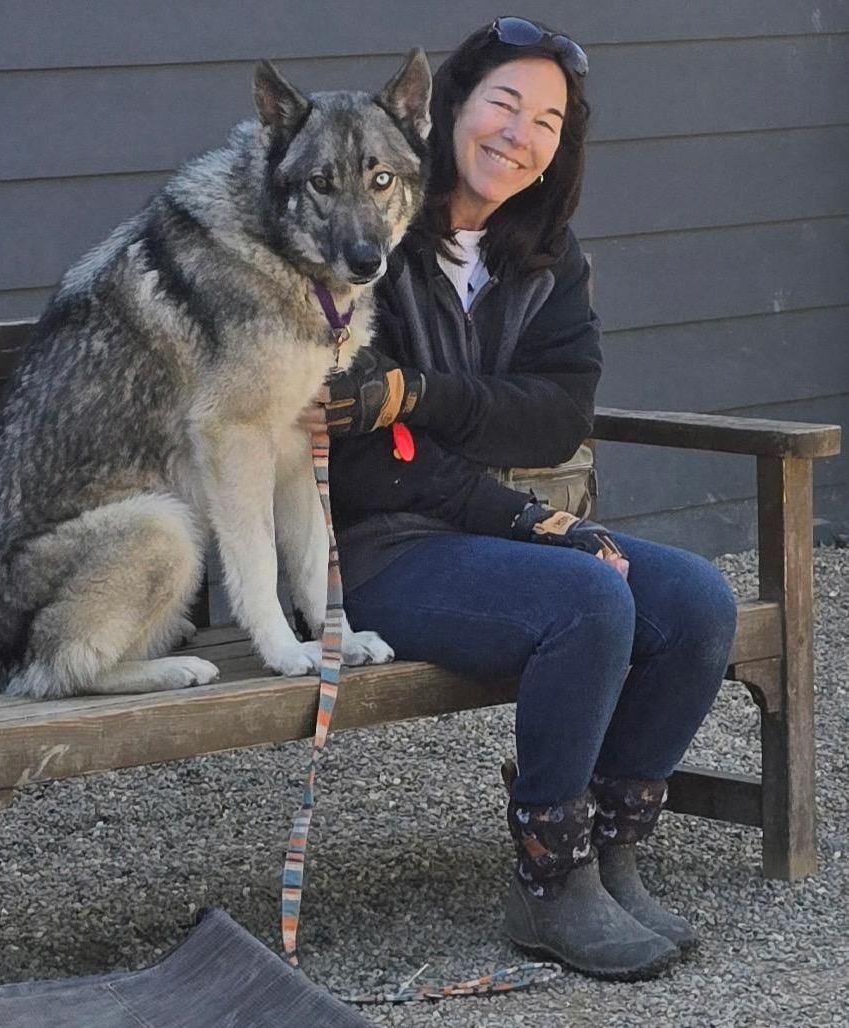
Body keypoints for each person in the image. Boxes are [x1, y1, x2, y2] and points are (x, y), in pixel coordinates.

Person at [298, 17, 737, 981]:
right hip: (368, 549)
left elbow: (556, 417)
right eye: (504, 103)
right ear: (449, 106)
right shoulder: (365, 241)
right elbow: (366, 459)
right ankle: (549, 880)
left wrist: (426, 398)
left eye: (547, 121)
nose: (519, 133)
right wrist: (530, 517)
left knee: (698, 602)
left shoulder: (545, 257)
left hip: (481, 529)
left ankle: (608, 856)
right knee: (588, 599)